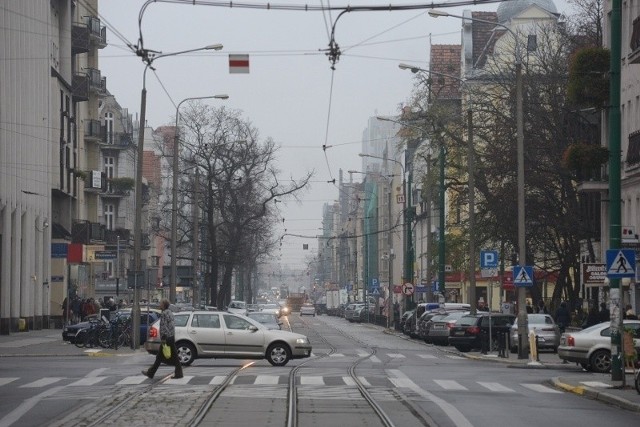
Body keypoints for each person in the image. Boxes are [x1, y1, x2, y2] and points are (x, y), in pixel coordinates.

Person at [142, 298, 183, 379]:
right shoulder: (170, 313)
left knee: (166, 357)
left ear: (164, 305)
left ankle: (151, 373)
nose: (159, 305)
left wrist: (163, 338)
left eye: (161, 303)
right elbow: (171, 325)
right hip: (171, 336)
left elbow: (164, 326)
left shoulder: (164, 313)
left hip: (166, 337)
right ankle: (151, 373)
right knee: (162, 356)